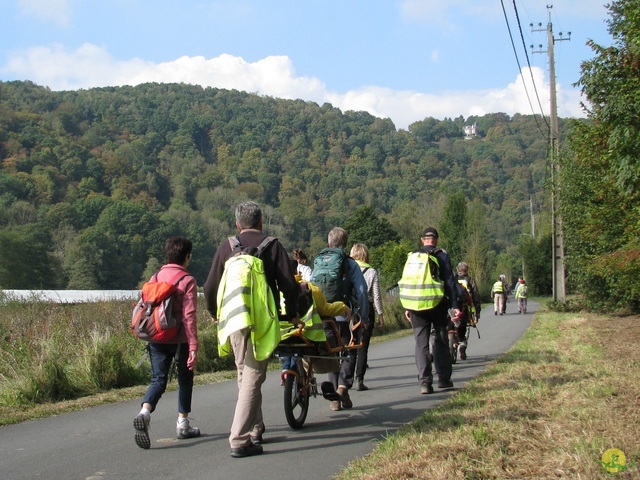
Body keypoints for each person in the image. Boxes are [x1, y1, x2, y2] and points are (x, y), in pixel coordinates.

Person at [203, 201, 301, 458]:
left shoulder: (227, 247)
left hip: (234, 318)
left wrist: (215, 313)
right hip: (261, 319)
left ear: (237, 224)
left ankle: (256, 429)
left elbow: (210, 286)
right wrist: (291, 314)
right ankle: (239, 438)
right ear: (260, 222)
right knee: (254, 376)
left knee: (244, 373)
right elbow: (289, 285)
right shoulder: (272, 245)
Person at [133, 236, 200, 450]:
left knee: (158, 380)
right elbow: (189, 317)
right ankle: (183, 424)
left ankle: (144, 412)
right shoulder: (187, 280)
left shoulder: (155, 276)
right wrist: (193, 346)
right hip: (179, 339)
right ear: (187, 256)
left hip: (155, 336)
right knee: (185, 378)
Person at [313, 227, 369, 411]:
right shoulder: (350, 263)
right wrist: (364, 315)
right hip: (344, 314)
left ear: (329, 243)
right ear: (345, 244)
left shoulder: (319, 260)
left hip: (325, 314)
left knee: (332, 351)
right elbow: (361, 291)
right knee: (349, 349)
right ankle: (343, 386)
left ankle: (335, 400)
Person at [403, 227, 460, 394]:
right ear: (436, 239)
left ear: (422, 240)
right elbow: (450, 282)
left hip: (416, 306)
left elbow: (409, 283)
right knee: (440, 341)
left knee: (421, 344)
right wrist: (454, 305)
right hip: (438, 304)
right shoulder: (442, 255)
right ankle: (443, 379)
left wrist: (407, 306)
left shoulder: (413, 256)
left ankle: (425, 383)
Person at [350, 243, 385, 391]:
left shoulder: (347, 268)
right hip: (366, 309)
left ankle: (347, 378)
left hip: (350, 309)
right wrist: (380, 314)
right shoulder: (371, 271)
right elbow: (376, 296)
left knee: (350, 344)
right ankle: (360, 379)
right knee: (363, 346)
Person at [454, 262, 481, 360]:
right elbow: (476, 295)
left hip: (453, 307)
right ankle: (463, 345)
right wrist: (477, 311)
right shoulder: (470, 280)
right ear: (467, 270)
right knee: (465, 326)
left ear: (458, 270)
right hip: (465, 308)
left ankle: (452, 342)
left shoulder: (453, 279)